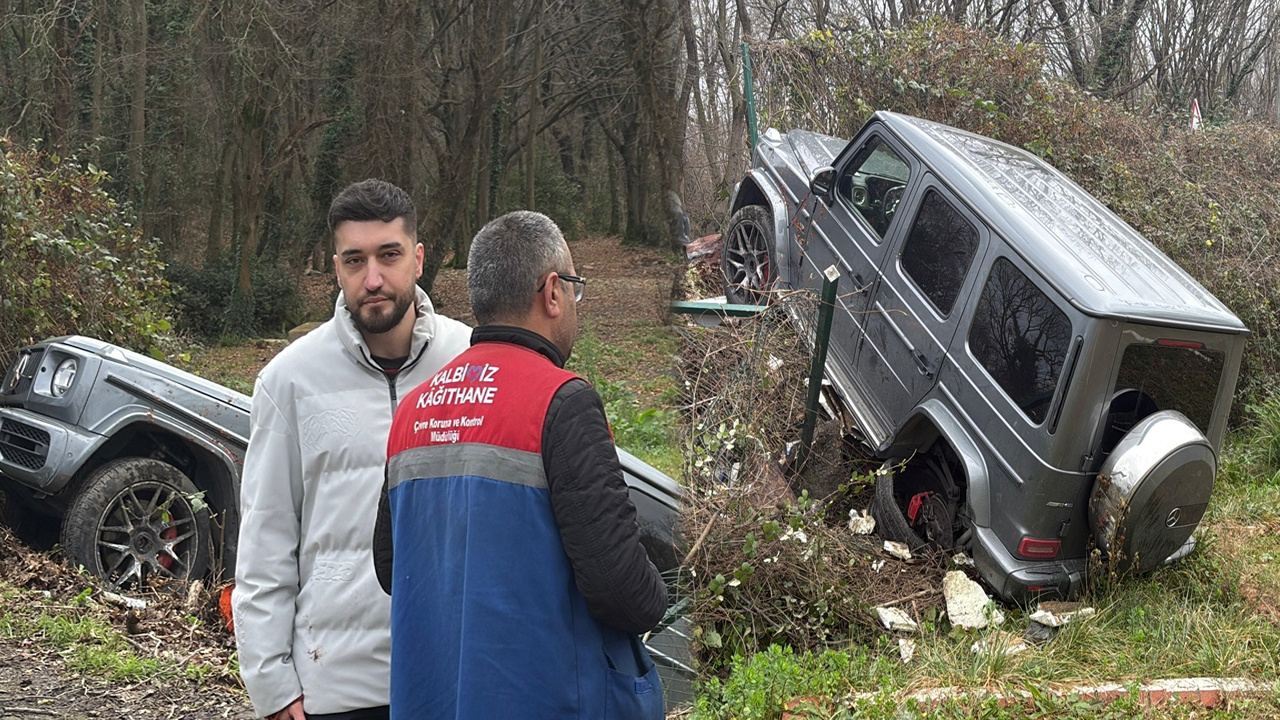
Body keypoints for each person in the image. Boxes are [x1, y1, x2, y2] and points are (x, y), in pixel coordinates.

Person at [374, 211, 668, 720]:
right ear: (552, 292)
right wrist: (662, 590)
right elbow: (622, 591)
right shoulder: (562, 401)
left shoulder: (413, 410)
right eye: (574, 287)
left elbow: (391, 568)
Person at [232, 179, 471, 720]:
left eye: (389, 255)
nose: (373, 279)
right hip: (338, 688)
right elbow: (265, 539)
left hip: (455, 676)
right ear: (335, 267)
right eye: (354, 260)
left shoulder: (471, 362)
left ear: (418, 257)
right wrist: (270, 683)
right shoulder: (288, 381)